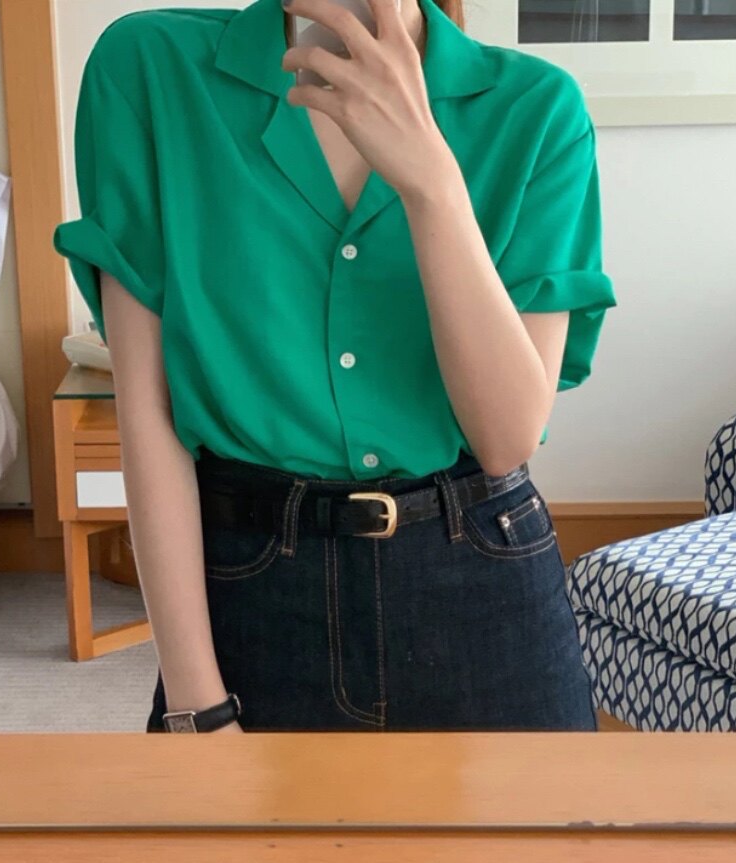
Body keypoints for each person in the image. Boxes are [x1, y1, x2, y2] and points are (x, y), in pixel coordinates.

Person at [53, 0, 617, 733]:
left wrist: (432, 183)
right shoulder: (152, 67)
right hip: (249, 588)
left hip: (479, 579)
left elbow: (506, 438)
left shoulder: (536, 109)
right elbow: (149, 410)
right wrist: (196, 702)